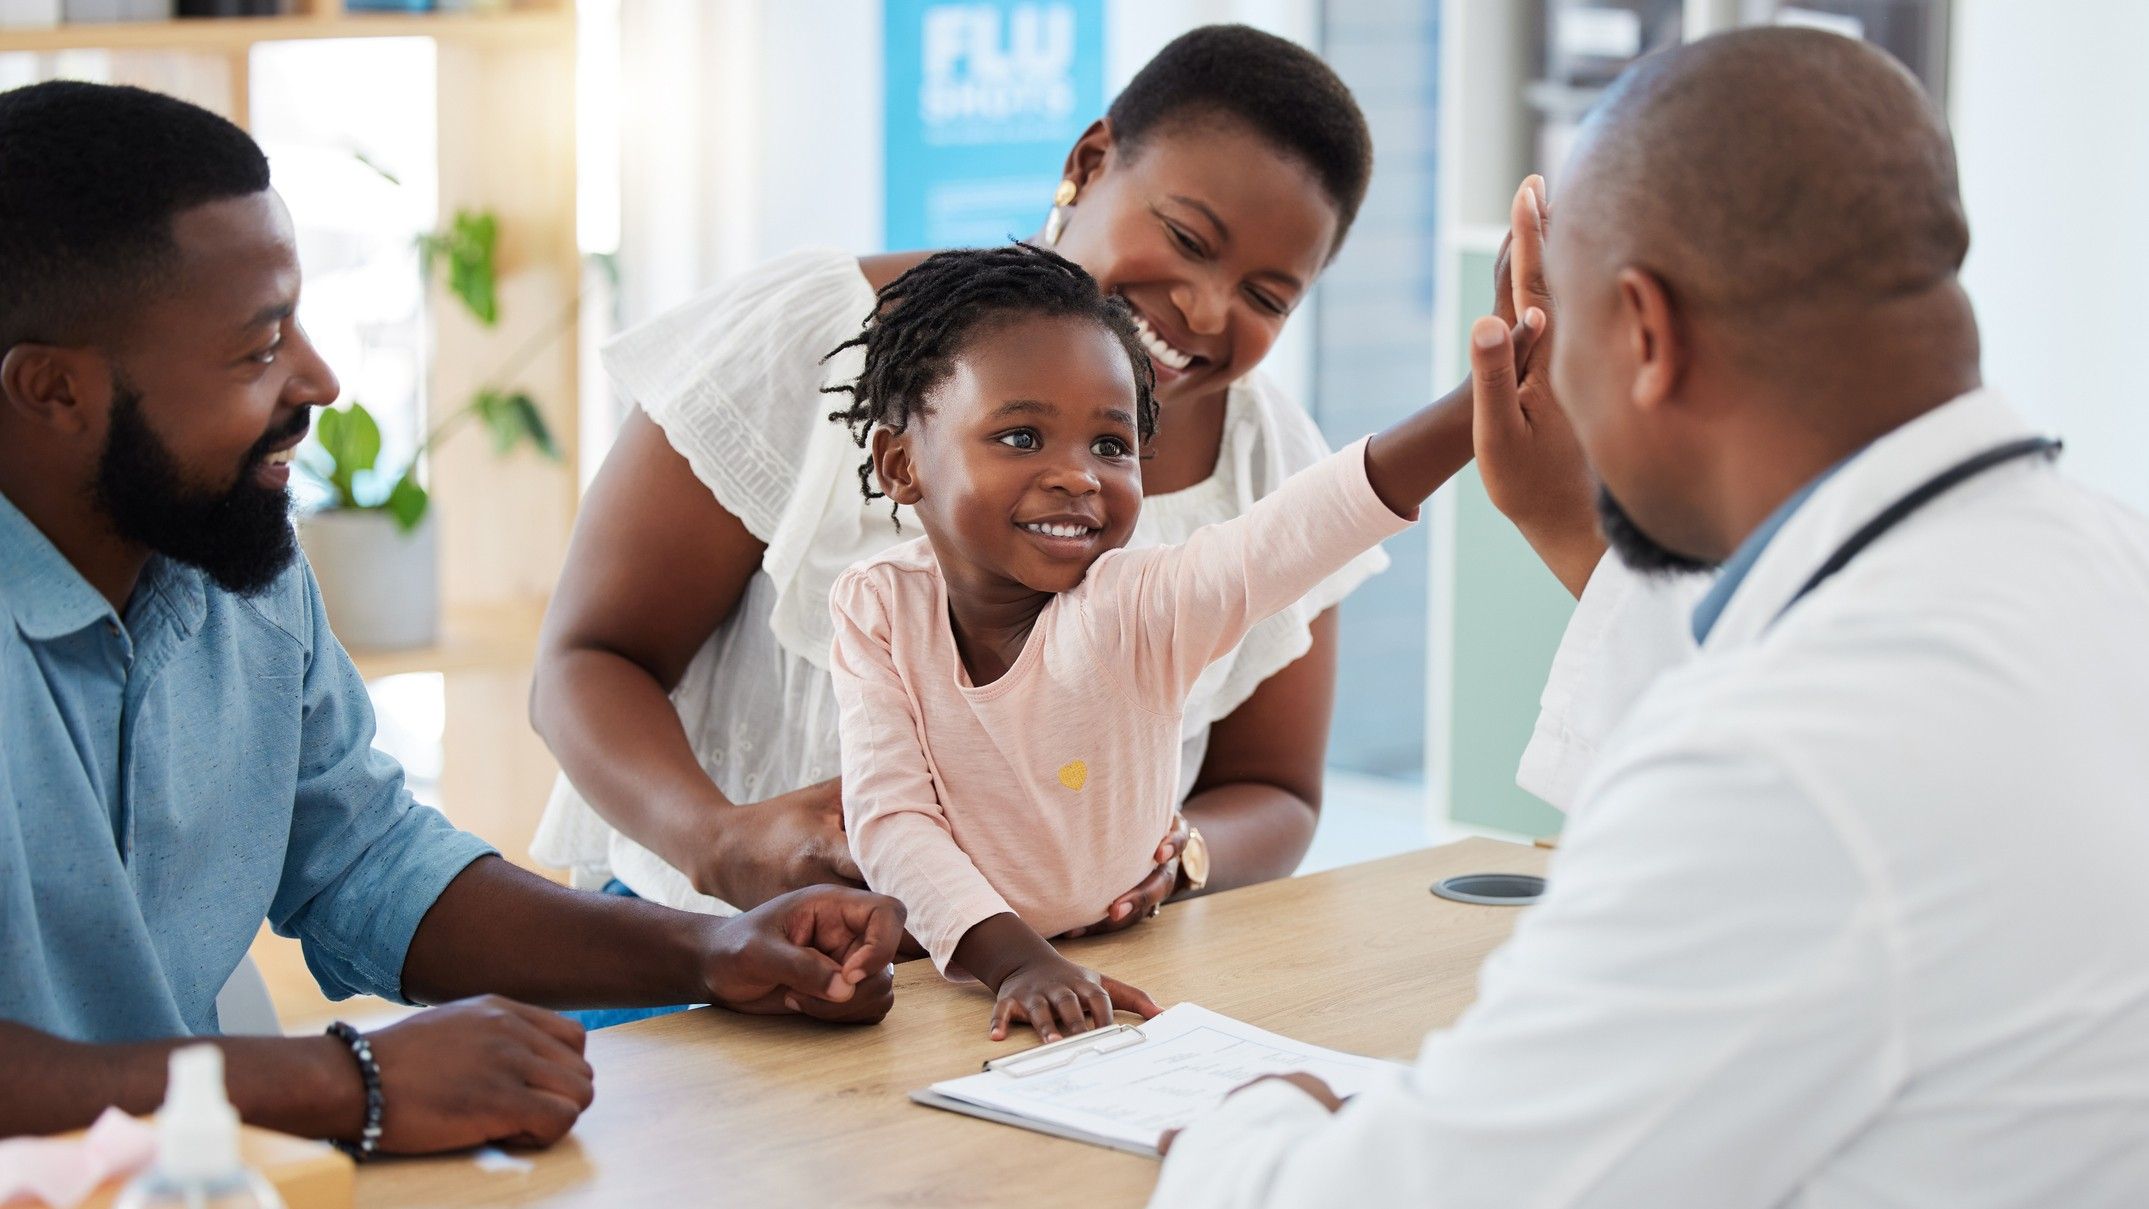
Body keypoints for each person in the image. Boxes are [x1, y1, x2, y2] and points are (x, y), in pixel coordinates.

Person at [1150, 27, 2149, 1206]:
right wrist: (1578, 528)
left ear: (1644, 333)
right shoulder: (2105, 563)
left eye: (1562, 334)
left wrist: (1252, 1124)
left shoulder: (1785, 766)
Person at [0, 80, 906, 1154]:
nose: (319, 380)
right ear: (52, 391)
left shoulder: (230, 564)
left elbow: (364, 865)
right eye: (257, 350)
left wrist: (709, 952)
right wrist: (345, 1082)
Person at [527, 28, 1486, 984]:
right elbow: (588, 658)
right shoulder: (818, 338)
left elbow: (1272, 788)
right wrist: (721, 840)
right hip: (705, 962)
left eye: (1267, 297)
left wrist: (1174, 856)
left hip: (1046, 995)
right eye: (1188, 239)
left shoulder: (1271, 459)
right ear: (1090, 162)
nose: (1202, 308)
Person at [825, 244, 1534, 1041]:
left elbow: (1301, 527)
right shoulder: (876, 605)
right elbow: (889, 818)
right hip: (953, 979)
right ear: (900, 464)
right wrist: (1017, 961)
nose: (1079, 476)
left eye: (1110, 445)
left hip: (1139, 966)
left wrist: (1482, 394)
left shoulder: (1138, 604)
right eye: (1022, 437)